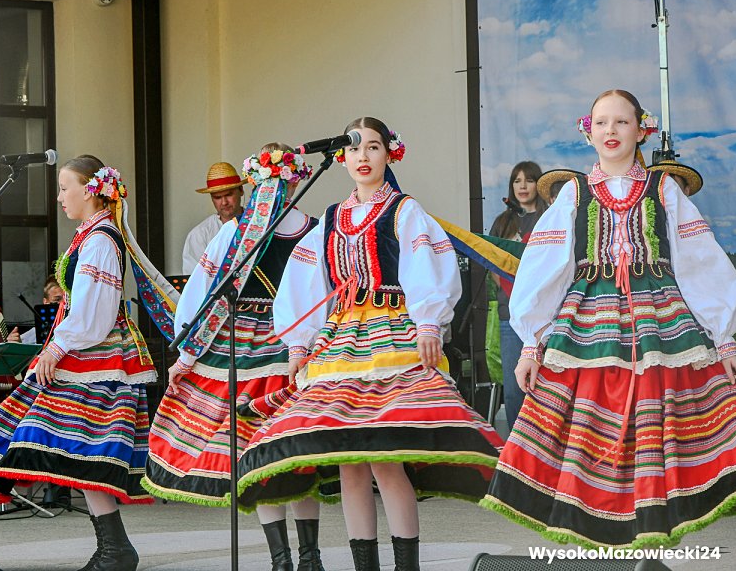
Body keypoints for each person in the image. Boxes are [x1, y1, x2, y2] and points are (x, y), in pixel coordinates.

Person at [236, 118, 504, 571]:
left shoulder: (404, 210)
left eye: (373, 147)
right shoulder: (330, 219)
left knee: (384, 459)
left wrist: (429, 324)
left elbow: (427, 265)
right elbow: (306, 280)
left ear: (389, 154)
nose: (363, 157)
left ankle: (406, 567)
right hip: (340, 339)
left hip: (390, 333)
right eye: (354, 148)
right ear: (341, 158)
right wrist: (298, 344)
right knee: (350, 463)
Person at [480, 89, 736, 549]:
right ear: (588, 132)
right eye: (601, 122)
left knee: (657, 427)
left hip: (658, 325)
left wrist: (724, 339)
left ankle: (651, 536)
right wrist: (530, 345)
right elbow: (546, 270)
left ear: (641, 130)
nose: (611, 131)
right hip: (590, 325)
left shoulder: (663, 189)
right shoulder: (574, 194)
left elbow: (698, 260)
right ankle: (602, 532)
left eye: (621, 122)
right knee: (591, 428)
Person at [0, 155, 175, 571]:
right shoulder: (90, 234)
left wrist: (56, 349)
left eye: (63, 188)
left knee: (75, 449)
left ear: (90, 190)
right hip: (85, 354)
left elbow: (94, 311)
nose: (58, 197)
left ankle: (115, 548)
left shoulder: (100, 240)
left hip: (96, 358)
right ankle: (114, 547)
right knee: (74, 450)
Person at [144, 143, 325, 571]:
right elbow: (204, 291)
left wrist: (186, 349)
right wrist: (188, 349)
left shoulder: (297, 231)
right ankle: (298, 558)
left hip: (276, 345)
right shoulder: (297, 230)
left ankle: (295, 559)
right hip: (262, 345)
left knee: (273, 453)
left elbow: (201, 292)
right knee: (277, 454)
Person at [488, 162, 547, 431]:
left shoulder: (549, 218)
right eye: (517, 181)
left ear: (539, 185)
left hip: (546, 317)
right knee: (514, 389)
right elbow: (492, 266)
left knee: (547, 385)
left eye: (529, 180)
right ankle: (516, 446)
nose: (522, 186)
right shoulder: (503, 222)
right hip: (510, 315)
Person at [181, 162, 246, 274]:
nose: (224, 202)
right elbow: (193, 278)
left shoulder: (259, 224)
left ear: (241, 190)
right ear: (211, 198)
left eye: (228, 195)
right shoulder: (199, 235)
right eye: (217, 197)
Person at [6, 274, 65, 344]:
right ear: (45, 302)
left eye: (67, 300)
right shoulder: (34, 334)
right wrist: (15, 344)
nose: (63, 305)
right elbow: (19, 343)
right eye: (57, 300)